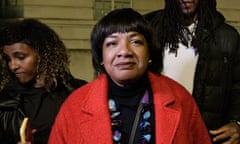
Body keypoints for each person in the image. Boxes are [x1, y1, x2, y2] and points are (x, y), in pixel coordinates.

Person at [48, 8, 211, 144]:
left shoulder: (180, 99)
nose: (124, 51)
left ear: (150, 53)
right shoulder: (74, 106)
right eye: (112, 43)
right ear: (101, 57)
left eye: (136, 42)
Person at [144, 0, 240, 143]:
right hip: (158, 132)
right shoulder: (149, 30)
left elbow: (237, 86)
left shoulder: (226, 36)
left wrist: (237, 123)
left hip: (205, 134)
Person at [0, 19, 87, 144]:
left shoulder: (79, 92)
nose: (13, 66)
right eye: (8, 59)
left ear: (42, 54)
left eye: (20, 57)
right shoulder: (4, 102)